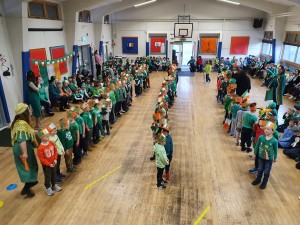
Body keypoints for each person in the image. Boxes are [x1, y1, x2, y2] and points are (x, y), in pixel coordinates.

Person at [11, 103, 39, 197]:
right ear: (24, 113)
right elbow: (22, 139)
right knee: (26, 168)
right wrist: (25, 153)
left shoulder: (20, 121)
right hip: (22, 148)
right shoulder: (21, 124)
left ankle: (27, 187)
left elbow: (27, 131)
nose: (30, 111)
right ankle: (27, 188)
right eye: (28, 110)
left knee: (30, 166)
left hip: (25, 147)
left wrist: (35, 132)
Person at [252, 121, 278, 189]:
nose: (266, 130)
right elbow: (257, 146)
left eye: (268, 129)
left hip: (269, 159)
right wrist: (255, 154)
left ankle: (264, 182)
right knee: (260, 169)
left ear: (273, 131)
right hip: (260, 157)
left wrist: (275, 157)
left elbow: (275, 150)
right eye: (265, 128)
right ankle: (258, 179)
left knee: (266, 171)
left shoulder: (274, 141)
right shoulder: (261, 137)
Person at [37, 128, 62, 196]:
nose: (48, 137)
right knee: (48, 176)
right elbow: (42, 159)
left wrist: (55, 159)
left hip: (53, 163)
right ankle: (48, 187)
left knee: (54, 174)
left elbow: (55, 151)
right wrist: (48, 164)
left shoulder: (51, 142)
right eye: (46, 136)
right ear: (41, 138)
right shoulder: (40, 148)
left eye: (48, 136)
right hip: (46, 165)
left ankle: (54, 185)